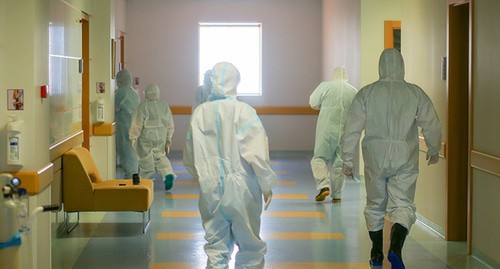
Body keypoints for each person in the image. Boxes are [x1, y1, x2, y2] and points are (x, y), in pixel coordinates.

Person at [341, 48, 442, 269]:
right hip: (405, 155)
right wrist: (434, 149)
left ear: (380, 66)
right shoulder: (415, 93)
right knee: (403, 204)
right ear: (402, 66)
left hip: (375, 156)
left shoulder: (367, 93)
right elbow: (432, 124)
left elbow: (352, 129)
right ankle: (395, 249)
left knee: (375, 204)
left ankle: (376, 252)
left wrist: (347, 159)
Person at [183, 62, 277, 269]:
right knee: (250, 246)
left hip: (210, 188)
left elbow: (189, 156)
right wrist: (266, 183)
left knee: (216, 246)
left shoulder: (199, 113)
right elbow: (257, 153)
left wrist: (204, 175)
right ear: (236, 82)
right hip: (242, 187)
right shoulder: (244, 111)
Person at [309, 67, 357, 203]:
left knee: (319, 158)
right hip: (345, 132)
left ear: (333, 75)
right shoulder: (353, 90)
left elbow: (313, 102)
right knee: (339, 163)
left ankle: (323, 186)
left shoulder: (326, 86)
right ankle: (337, 196)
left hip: (326, 129)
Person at [129, 83, 176, 190]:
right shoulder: (164, 105)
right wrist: (168, 137)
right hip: (161, 136)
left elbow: (137, 123)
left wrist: (133, 137)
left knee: (146, 157)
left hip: (146, 136)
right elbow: (170, 123)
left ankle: (146, 182)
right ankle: (168, 173)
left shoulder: (142, 106)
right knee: (160, 155)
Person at [115, 69, 140, 179]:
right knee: (132, 153)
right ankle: (133, 177)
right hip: (134, 127)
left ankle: (130, 181)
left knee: (127, 154)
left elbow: (114, 108)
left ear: (119, 81)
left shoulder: (120, 92)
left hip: (125, 127)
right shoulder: (134, 93)